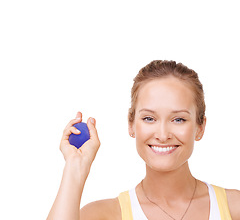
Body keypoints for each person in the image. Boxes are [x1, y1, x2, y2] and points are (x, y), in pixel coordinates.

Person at [47, 60, 240, 220]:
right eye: (149, 118)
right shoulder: (104, 214)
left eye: (178, 119)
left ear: (200, 127)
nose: (163, 135)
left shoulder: (234, 207)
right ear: (131, 125)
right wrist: (75, 168)